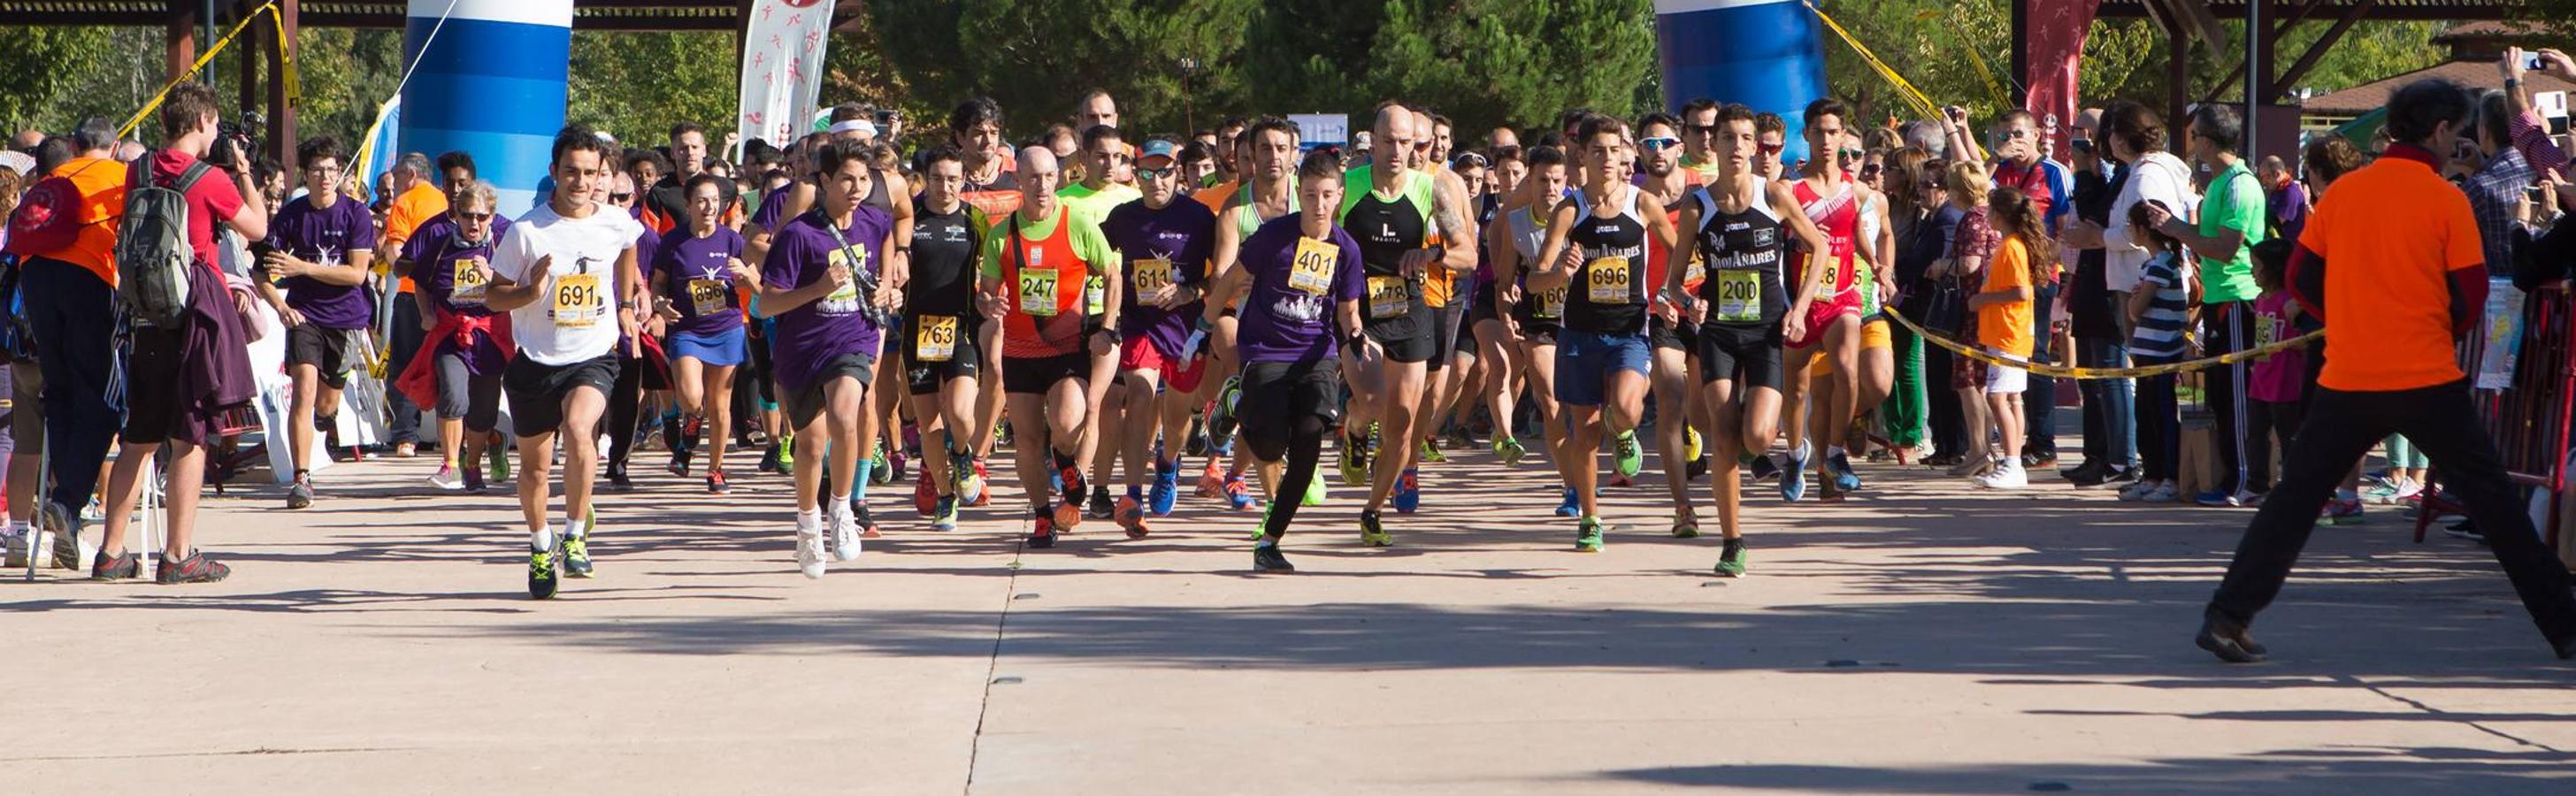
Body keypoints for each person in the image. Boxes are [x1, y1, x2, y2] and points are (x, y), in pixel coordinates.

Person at [2198, 78, 2576, 664]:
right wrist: (2434, 326)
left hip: (2348, 373)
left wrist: (2347, 317)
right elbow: (2471, 296)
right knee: (2495, 505)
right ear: (2442, 131)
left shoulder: (2344, 195)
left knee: (2293, 501)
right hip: (2426, 375)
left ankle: (2227, 615)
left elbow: (2299, 279)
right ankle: (2565, 625)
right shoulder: (2447, 198)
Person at [84, 83, 267, 583]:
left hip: (145, 314)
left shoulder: (137, 170)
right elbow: (257, 229)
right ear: (204, 120)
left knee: (140, 435)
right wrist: (245, 172)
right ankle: (178, 554)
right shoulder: (209, 178)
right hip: (192, 314)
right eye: (214, 123)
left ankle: (112, 552)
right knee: (191, 436)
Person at [483, 125, 646, 600]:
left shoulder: (614, 221)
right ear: (554, 172)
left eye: (590, 173)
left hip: (592, 355)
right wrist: (530, 292)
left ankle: (575, 533)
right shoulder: (527, 231)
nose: (580, 182)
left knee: (579, 430)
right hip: (535, 361)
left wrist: (625, 303)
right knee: (534, 469)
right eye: (571, 171)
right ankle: (540, 544)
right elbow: (492, 297)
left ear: (601, 177)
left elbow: (631, 242)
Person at [1671, 102, 1833, 576]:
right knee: (1723, 437)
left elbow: (1819, 247)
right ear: (1713, 145)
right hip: (1719, 331)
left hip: (1765, 330)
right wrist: (1688, 300)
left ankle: (1753, 443)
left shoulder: (1775, 195)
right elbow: (1674, 281)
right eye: (1729, 138)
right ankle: (1732, 541)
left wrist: (1800, 308)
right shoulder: (1696, 205)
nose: (1739, 147)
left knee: (1758, 436)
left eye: (1747, 139)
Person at [1186, 149, 1367, 571]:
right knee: (1268, 446)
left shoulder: (1346, 249)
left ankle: (1270, 541)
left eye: (1326, 196)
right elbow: (1230, 279)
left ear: (1339, 196)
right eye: (1309, 195)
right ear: (1298, 194)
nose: (1318, 206)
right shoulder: (1274, 236)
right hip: (1266, 350)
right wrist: (1202, 329)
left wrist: (1357, 336)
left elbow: (1348, 311)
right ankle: (1236, 399)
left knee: (1307, 441)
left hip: (1315, 355)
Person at [1529, 115, 1676, 551]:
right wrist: (1560, 272)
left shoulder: (1642, 203)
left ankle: (1625, 431)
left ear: (1626, 154)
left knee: (1628, 408)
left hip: (1630, 329)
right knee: (1585, 431)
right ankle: (1591, 518)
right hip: (1580, 333)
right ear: (1583, 156)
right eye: (1599, 151)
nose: (1608, 159)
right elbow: (1535, 280)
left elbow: (1681, 251)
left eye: (1615, 150)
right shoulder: (1570, 209)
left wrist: (1677, 293)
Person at [1337, 103, 1479, 545]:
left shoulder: (1429, 189)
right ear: (1373, 141)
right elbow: (1315, 236)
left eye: (1408, 143)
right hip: (1359, 309)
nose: (1398, 151)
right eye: (1389, 142)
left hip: (1409, 308)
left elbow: (1469, 256)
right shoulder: (1348, 186)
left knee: (1402, 421)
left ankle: (1372, 510)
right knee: (1375, 400)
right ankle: (1355, 427)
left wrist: (1432, 255)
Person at [757, 140, 895, 578]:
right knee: (812, 446)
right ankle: (807, 526)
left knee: (845, 414)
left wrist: (889, 285)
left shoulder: (874, 221)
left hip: (851, 339)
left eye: (864, 179)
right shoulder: (799, 235)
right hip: (801, 350)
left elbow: (889, 241)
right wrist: (818, 289)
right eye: (847, 179)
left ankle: (842, 509)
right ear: (824, 182)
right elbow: (768, 304)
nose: (857, 188)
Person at [980, 146, 1123, 548]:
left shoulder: (1077, 224)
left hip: (1065, 347)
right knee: (1026, 439)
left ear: (1057, 178)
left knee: (1067, 423)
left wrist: (1107, 329)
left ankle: (1065, 460)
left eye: (1048, 177)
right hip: (1021, 350)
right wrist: (989, 305)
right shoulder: (1002, 234)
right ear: (1019, 181)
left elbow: (1113, 275)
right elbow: (985, 294)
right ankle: (1043, 516)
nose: (1041, 186)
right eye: (1032, 178)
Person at [2141, 104, 2266, 508]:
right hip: (2216, 299)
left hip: (2238, 297)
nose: (2191, 142)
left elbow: (2227, 249)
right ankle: (2230, 475)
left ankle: (2248, 480)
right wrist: (2173, 226)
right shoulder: (2217, 183)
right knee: (2220, 395)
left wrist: (2176, 229)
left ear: (2208, 141)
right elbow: (2207, 237)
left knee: (2237, 396)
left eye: (2195, 134)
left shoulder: (2239, 185)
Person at [1098, 139, 1216, 536]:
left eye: (1164, 171)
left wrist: (1190, 292)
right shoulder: (1123, 217)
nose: (1156, 180)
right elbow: (1096, 258)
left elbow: (1221, 275)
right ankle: (1131, 494)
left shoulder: (1200, 217)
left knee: (1179, 416)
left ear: (1178, 172)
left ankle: (1167, 463)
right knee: (1139, 398)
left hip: (1186, 330)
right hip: (1139, 325)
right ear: (1136, 173)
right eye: (1147, 173)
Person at [255, 135, 376, 510]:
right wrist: (280, 307)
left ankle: (329, 416)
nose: (325, 177)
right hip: (305, 316)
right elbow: (262, 271)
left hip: (347, 318)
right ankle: (301, 479)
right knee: (304, 393)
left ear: (340, 173)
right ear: (305, 175)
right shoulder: (292, 216)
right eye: (317, 170)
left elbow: (356, 275)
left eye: (331, 170)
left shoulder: (355, 214)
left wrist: (303, 267)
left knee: (325, 403)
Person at [1199, 116, 1305, 511]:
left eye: (1281, 149)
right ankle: (1269, 498)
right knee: (1260, 396)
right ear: (1250, 157)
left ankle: (1239, 469)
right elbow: (1222, 277)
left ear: (1294, 155)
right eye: (1264, 149)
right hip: (1248, 321)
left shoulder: (1307, 200)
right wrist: (1265, 277)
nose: (1273, 157)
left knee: (1285, 403)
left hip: (1303, 320)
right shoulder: (1235, 209)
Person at [1773, 99, 1867, 501]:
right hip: (1800, 303)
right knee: (1796, 390)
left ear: (1843, 136)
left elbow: (1859, 233)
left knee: (1847, 368)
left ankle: (1835, 453)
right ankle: (1796, 455)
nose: (1826, 140)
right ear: (1806, 135)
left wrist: (1878, 264)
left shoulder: (1856, 189)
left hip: (1842, 297)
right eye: (1819, 132)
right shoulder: (1789, 190)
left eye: (1833, 132)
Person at [393, 179, 511, 493]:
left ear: (492, 216)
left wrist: (493, 278)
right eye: (467, 215)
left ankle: (475, 463)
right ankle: (451, 466)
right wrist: (427, 314)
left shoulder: (504, 242)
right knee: (453, 396)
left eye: (482, 217)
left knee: (483, 412)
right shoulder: (441, 243)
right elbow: (420, 281)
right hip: (450, 333)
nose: (474, 223)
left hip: (490, 336)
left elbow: (522, 286)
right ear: (456, 215)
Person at [901, 146, 989, 531]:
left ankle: (964, 453)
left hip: (961, 327)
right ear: (927, 179)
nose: (945, 187)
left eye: (953, 179)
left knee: (961, 413)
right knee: (930, 425)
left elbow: (990, 272)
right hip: (915, 329)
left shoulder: (976, 220)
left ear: (963, 180)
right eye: (937, 178)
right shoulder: (908, 217)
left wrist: (989, 296)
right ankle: (945, 496)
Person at [653, 173, 758, 492]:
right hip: (687, 329)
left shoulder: (732, 240)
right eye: (701, 199)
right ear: (688, 204)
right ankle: (693, 418)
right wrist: (660, 303)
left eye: (714, 200)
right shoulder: (673, 241)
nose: (709, 206)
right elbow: (658, 282)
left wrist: (744, 274)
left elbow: (757, 284)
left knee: (720, 404)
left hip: (726, 327)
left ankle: (716, 469)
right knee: (690, 395)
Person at [1492, 145, 1581, 517]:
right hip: (1538, 320)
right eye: (1542, 179)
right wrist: (1507, 314)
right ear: (1530, 179)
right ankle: (1573, 487)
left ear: (1567, 181)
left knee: (1584, 406)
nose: (1549, 187)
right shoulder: (1516, 222)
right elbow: (1504, 280)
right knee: (1551, 401)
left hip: (1580, 318)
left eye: (1556, 180)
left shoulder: (1580, 217)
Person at [1057, 125, 1140, 518]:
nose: (1110, 164)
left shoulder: (1135, 199)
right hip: (1068, 315)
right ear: (1083, 159)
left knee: (1101, 404)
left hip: (1115, 314)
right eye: (1101, 156)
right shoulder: (1063, 202)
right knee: (1068, 410)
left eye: (1117, 157)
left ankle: (1089, 488)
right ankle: (1070, 469)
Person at [1634, 111, 1711, 534]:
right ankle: (1683, 508)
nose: (1657, 151)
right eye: (1649, 143)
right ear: (1639, 151)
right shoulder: (1634, 201)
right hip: (1661, 311)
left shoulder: (1704, 193)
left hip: (1707, 308)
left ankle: (1695, 436)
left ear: (1681, 148)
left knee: (1701, 412)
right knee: (1670, 398)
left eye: (1665, 143)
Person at [1965, 188, 2046, 488]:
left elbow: (2020, 291)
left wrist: (1983, 299)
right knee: (2012, 398)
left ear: (1999, 214)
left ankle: (2012, 463)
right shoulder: (2012, 244)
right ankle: (2013, 461)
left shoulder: (2012, 246)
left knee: (1998, 397)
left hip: (2008, 331)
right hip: (2008, 331)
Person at [2119, 200, 2194, 504]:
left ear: (2142, 229)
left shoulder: (2162, 264)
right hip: (2147, 352)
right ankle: (2151, 474)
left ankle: (2171, 476)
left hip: (2162, 355)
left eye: (2130, 225)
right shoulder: (2151, 264)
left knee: (2163, 415)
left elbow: (2136, 309)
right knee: (2145, 415)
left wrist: (2134, 301)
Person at [379, 152, 448, 458]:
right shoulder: (446, 202)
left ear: (409, 175)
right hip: (446, 296)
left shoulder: (404, 203)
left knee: (404, 364)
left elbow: (396, 252)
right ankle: (453, 437)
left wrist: (401, 266)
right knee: (447, 363)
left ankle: (406, 436)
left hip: (410, 294)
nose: (393, 186)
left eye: (396, 178)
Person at [2242, 240, 2308, 502]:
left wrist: (2291, 345)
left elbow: (2303, 341)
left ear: (2274, 269)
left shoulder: (2288, 301)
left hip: (2286, 383)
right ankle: (2257, 484)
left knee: (2288, 437)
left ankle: (2292, 486)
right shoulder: (2260, 300)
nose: (2252, 272)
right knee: (2256, 434)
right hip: (2260, 380)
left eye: (2256, 267)